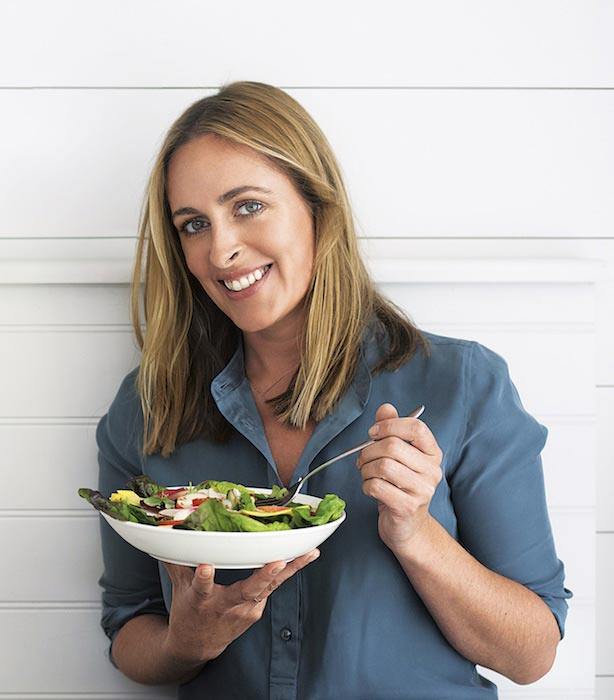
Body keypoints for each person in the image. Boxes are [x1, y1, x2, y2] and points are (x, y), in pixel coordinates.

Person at [97, 81, 572, 699]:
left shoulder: (464, 385)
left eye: (247, 206)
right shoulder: (146, 408)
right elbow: (128, 627)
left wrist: (417, 534)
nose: (221, 249)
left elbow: (532, 653)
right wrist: (183, 644)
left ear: (317, 206)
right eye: (193, 224)